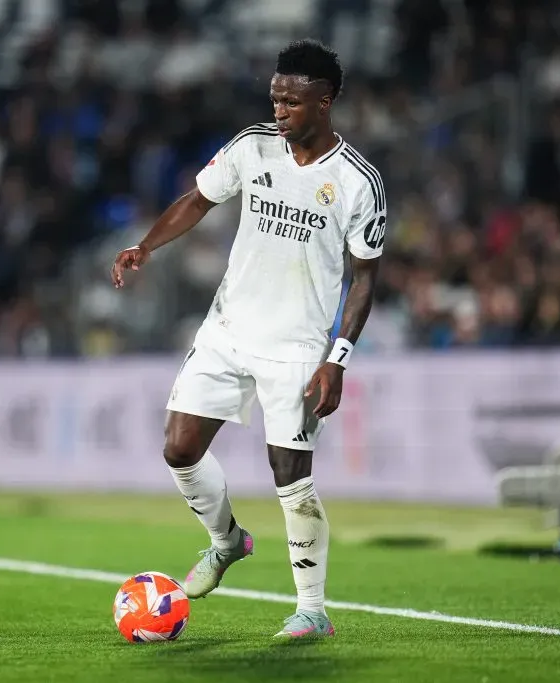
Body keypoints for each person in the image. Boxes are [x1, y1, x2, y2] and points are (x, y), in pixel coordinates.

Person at [110, 40, 385, 640]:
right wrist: (146, 245)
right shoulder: (253, 146)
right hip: (228, 329)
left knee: (291, 475)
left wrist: (337, 360)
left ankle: (311, 610)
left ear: (325, 101)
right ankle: (227, 540)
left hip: (298, 348)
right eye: (276, 99)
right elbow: (197, 201)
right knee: (179, 448)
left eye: (292, 101)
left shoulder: (357, 182)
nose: (281, 110)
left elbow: (365, 279)